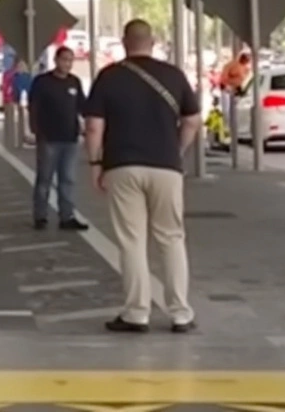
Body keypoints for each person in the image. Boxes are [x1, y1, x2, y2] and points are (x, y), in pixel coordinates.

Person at [83, 19, 202, 334]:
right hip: (166, 165)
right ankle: (180, 313)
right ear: (153, 41)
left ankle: (137, 313)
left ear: (124, 42)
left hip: (123, 166)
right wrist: (177, 149)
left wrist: (96, 164)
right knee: (172, 238)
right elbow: (192, 120)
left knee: (132, 241)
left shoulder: (109, 77)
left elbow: (94, 126)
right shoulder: (174, 76)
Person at [27, 46, 89, 231]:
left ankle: (67, 216)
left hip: (70, 138)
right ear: (56, 60)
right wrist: (36, 131)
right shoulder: (42, 82)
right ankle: (40, 216)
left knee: (68, 179)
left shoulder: (74, 82)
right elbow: (33, 107)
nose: (67, 64)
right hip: (48, 138)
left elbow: (82, 107)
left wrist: (89, 126)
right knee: (44, 179)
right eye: (64, 60)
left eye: (71, 60)